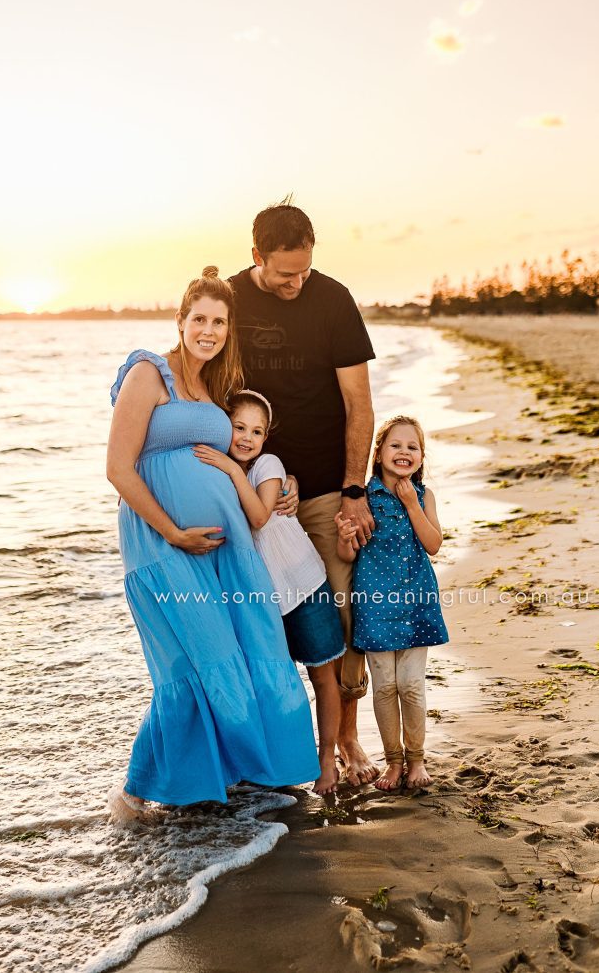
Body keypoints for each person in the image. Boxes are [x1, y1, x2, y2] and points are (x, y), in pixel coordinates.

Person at [106, 266, 319, 814]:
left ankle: (246, 777)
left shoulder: (216, 387)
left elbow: (242, 457)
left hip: (229, 550)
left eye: (219, 321)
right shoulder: (148, 374)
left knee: (254, 650)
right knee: (199, 661)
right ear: (180, 322)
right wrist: (173, 530)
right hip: (164, 546)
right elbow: (119, 469)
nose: (209, 329)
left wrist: (285, 485)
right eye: (199, 318)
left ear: (229, 329)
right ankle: (138, 793)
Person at [229, 200, 379, 786]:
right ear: (257, 256)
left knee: (341, 617)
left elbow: (358, 405)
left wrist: (354, 489)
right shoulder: (231, 302)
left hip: (321, 491)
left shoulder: (332, 298)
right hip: (243, 493)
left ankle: (346, 738)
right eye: (286, 272)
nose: (298, 282)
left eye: (306, 269)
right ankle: (268, 750)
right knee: (253, 625)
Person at [193, 389, 345, 796]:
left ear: (266, 438)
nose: (246, 437)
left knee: (322, 675)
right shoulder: (217, 471)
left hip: (303, 584)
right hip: (261, 598)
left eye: (256, 431)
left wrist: (230, 467)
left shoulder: (266, 465)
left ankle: (327, 759)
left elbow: (259, 517)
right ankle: (275, 762)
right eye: (238, 427)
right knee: (274, 682)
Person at [335, 415, 448, 791]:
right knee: (384, 687)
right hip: (375, 606)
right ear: (378, 452)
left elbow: (433, 544)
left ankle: (416, 761)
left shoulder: (424, 495)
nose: (403, 452)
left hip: (415, 602)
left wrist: (412, 504)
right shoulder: (361, 497)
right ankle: (394, 762)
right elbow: (349, 557)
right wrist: (345, 538)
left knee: (412, 685)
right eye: (395, 445)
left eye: (412, 447)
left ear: (421, 456)